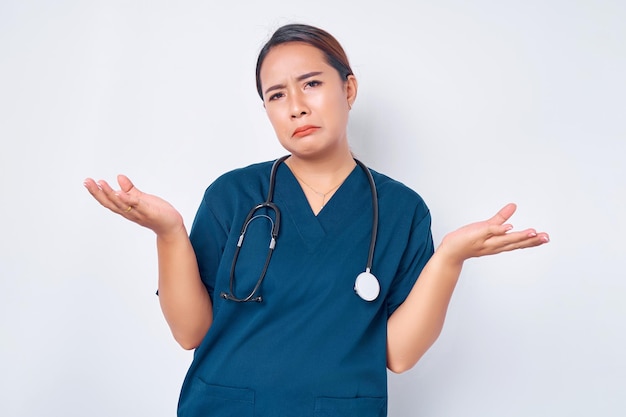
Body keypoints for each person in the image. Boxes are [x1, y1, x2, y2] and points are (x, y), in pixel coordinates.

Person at [84, 23, 549, 417]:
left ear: (348, 88)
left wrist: (450, 258)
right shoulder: (232, 195)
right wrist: (168, 233)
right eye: (276, 94)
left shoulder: (401, 209)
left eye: (311, 84)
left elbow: (400, 355)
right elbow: (190, 332)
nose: (296, 106)